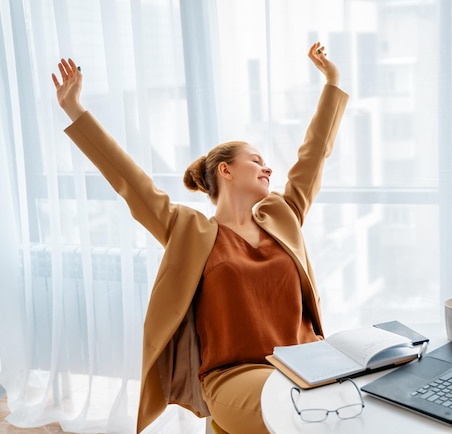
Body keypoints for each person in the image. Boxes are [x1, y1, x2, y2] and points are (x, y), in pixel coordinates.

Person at [51, 42, 349, 434]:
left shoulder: (283, 215)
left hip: (305, 363)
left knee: (356, 397)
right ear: (225, 171)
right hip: (235, 375)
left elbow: (313, 156)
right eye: (256, 160)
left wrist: (332, 83)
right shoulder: (188, 230)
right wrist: (76, 110)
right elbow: (130, 180)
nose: (268, 167)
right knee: (302, 406)